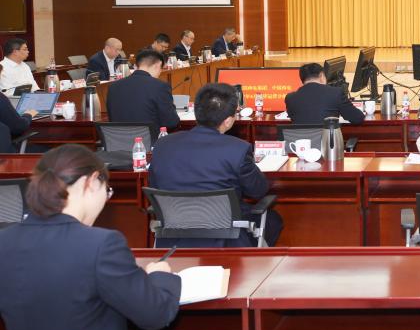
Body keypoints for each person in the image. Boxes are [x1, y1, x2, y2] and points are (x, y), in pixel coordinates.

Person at [0, 145, 180, 330]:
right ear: (92, 182)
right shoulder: (102, 245)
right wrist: (160, 274)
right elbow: (155, 315)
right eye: (108, 191)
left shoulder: (4, 241)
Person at [148, 83, 282, 247]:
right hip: (225, 241)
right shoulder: (237, 149)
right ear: (228, 121)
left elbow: (154, 185)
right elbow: (258, 190)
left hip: (173, 241)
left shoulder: (163, 145)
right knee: (272, 220)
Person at [105, 49, 179, 141]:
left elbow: (111, 118)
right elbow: (171, 122)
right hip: (149, 144)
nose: (160, 73)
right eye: (161, 69)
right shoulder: (160, 86)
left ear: (137, 65)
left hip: (118, 143)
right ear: (157, 65)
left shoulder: (113, 87)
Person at [285, 62, 365, 125]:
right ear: (322, 76)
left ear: (302, 80)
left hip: (302, 141)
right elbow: (357, 118)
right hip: (328, 141)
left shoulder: (290, 98)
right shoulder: (335, 93)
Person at [0, 62, 36, 153]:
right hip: (6, 156)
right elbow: (19, 127)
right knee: (50, 151)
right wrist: (28, 115)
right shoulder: (1, 99)